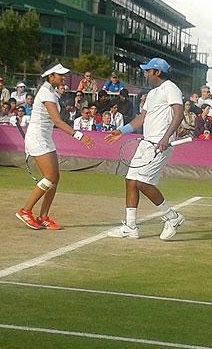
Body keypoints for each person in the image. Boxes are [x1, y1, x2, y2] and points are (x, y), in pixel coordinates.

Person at [105, 58, 185, 241]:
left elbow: (179, 114)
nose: (146, 74)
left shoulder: (171, 88)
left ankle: (172, 217)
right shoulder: (152, 93)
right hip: (146, 143)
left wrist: (165, 138)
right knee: (131, 181)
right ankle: (131, 227)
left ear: (157, 72)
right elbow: (142, 118)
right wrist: (122, 131)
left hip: (159, 143)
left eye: (148, 71)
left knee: (142, 182)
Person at [16, 63, 94, 230]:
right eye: (60, 75)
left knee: (55, 177)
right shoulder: (46, 93)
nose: (63, 78)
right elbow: (57, 121)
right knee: (50, 177)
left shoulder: (51, 92)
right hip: (37, 138)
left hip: (45, 137)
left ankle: (43, 216)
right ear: (51, 77)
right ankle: (25, 210)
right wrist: (79, 136)